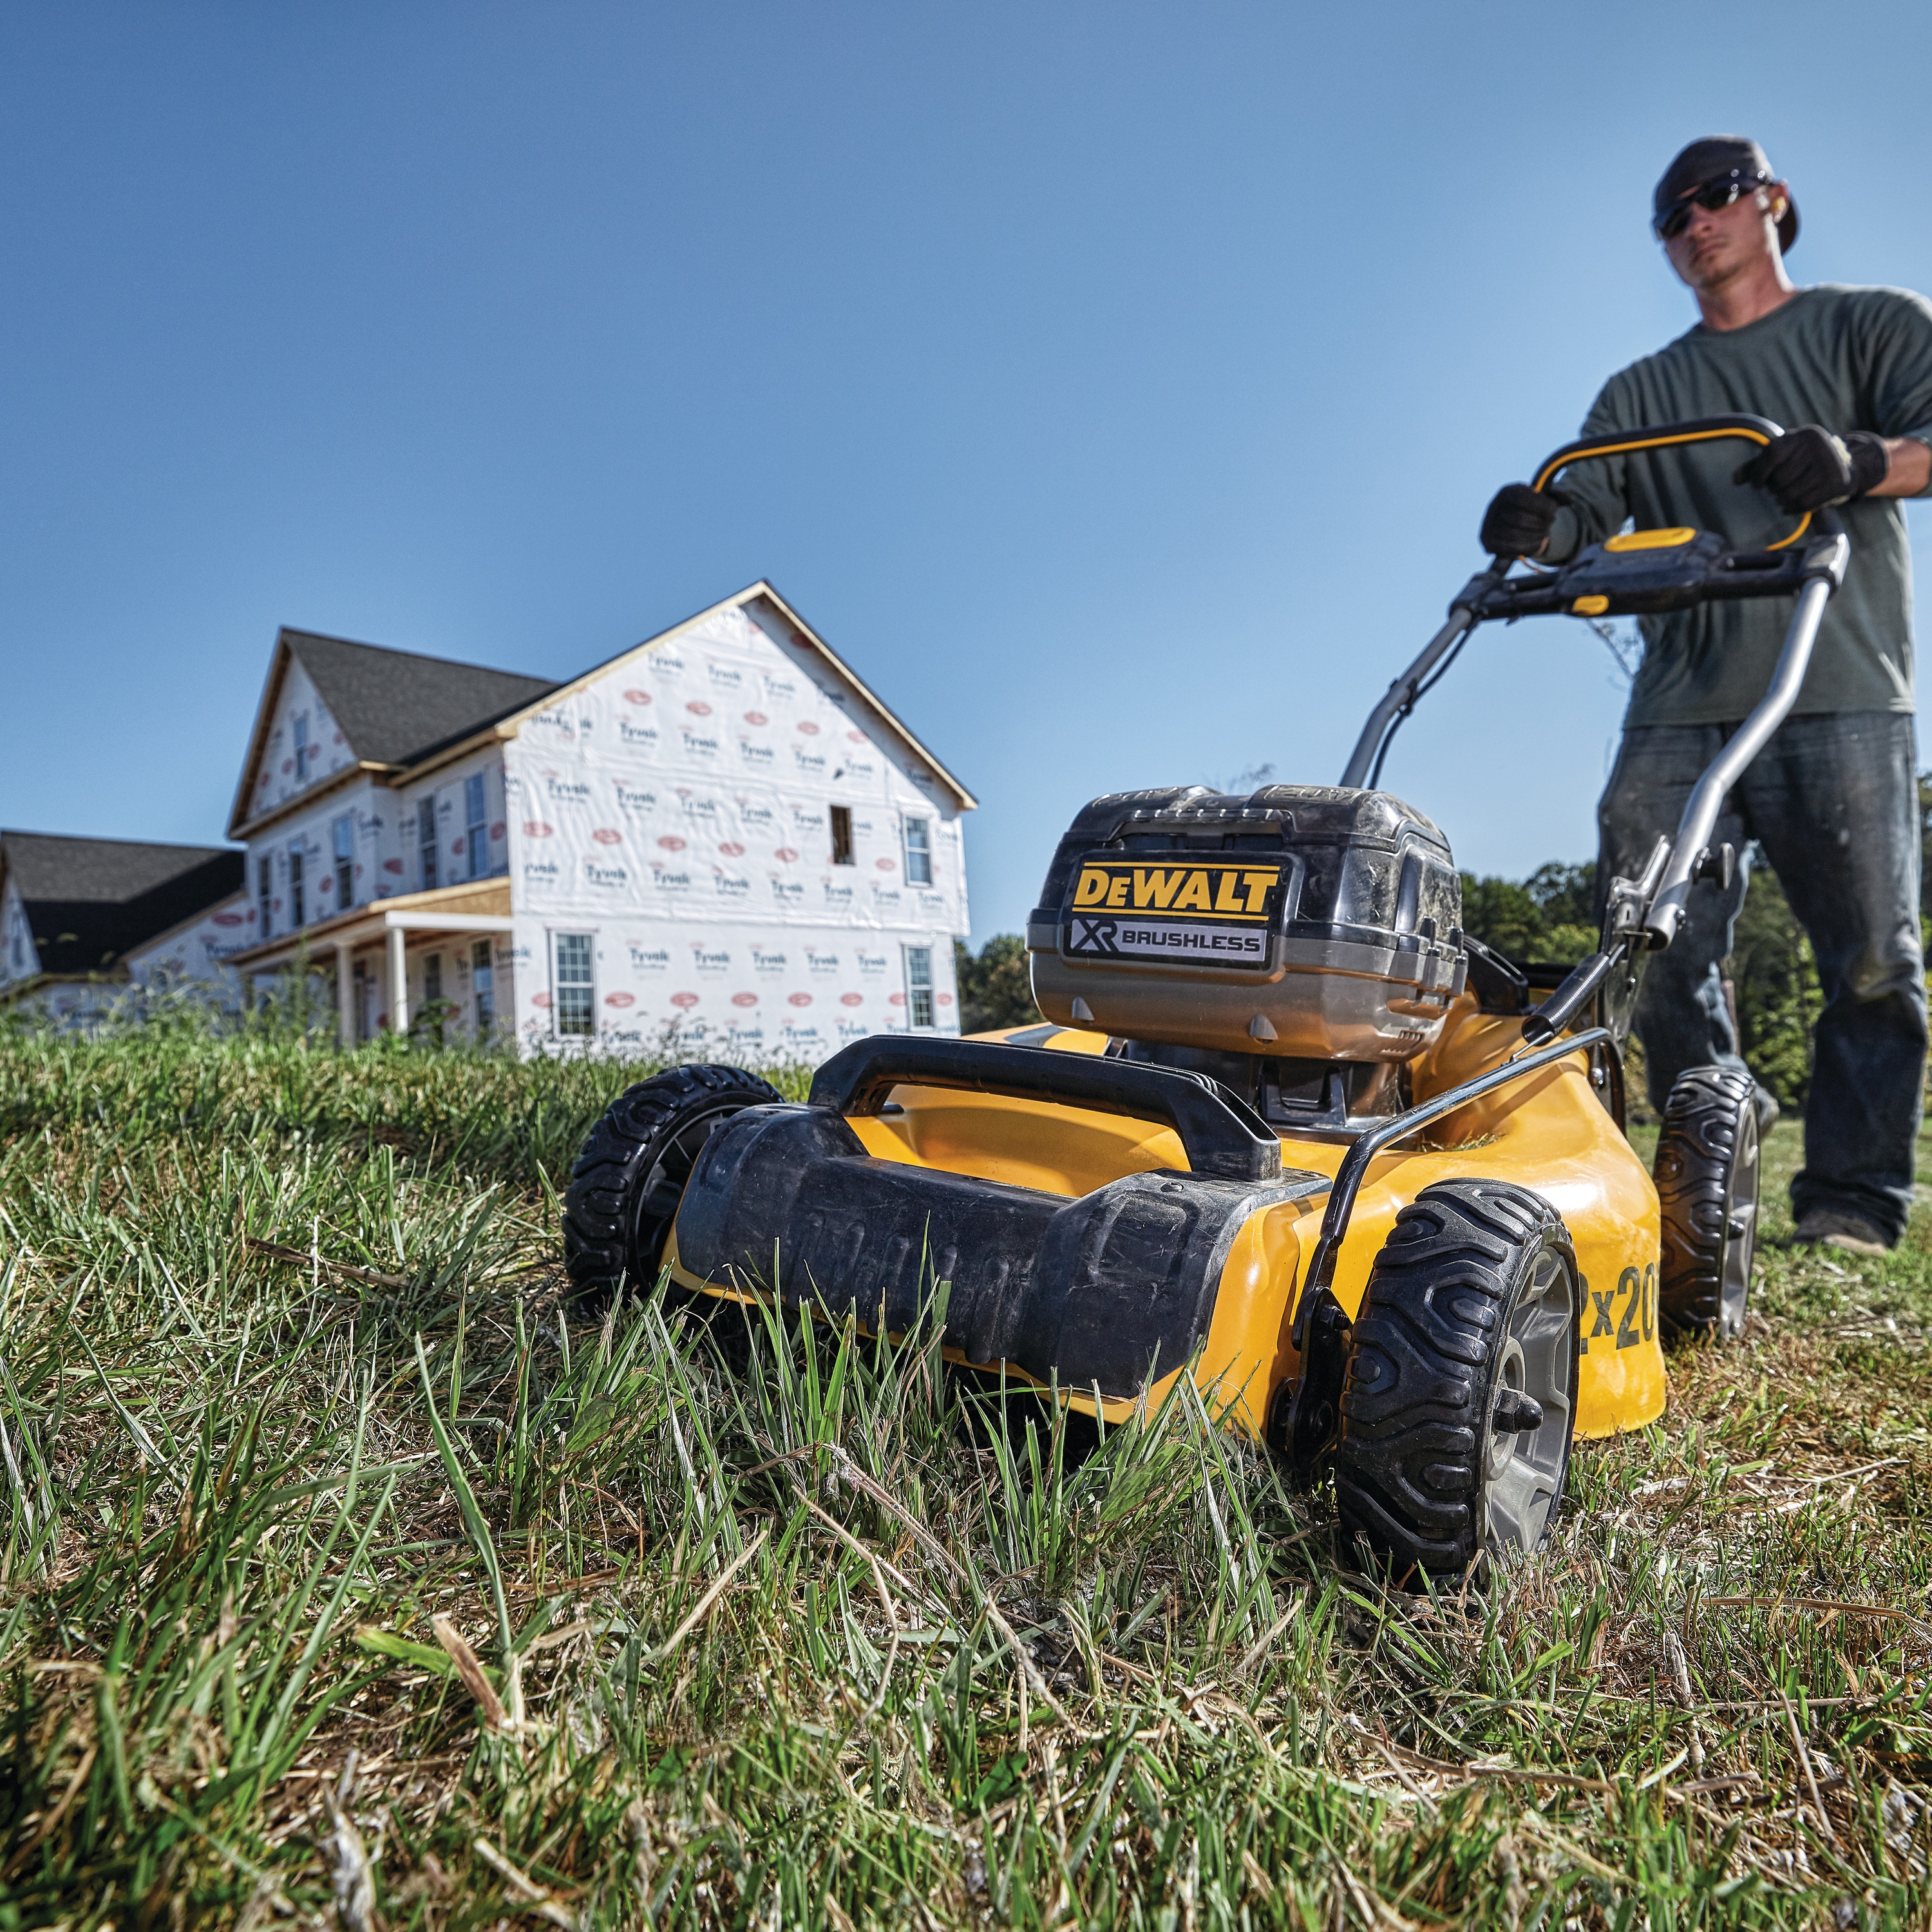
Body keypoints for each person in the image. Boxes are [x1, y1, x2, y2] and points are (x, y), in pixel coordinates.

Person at [1480, 136, 1932, 1254]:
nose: (1695, 224)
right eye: (1671, 215)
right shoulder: (1643, 392)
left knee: (1873, 954)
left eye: (1716, 198)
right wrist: (1538, 528)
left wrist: (1856, 461)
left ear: (1773, 201)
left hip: (1842, 678)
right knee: (1644, 938)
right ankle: (1712, 1147)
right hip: (1682, 700)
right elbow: (1583, 509)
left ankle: (1852, 1200)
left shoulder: (1866, 325)